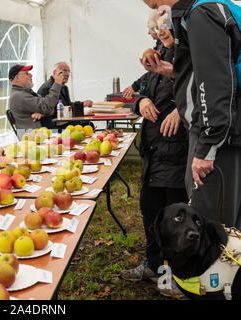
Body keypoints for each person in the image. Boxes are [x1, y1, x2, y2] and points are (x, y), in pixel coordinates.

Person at [141, 0, 241, 229]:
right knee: (229, 227)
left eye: (157, 4)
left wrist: (208, 146)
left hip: (219, 140)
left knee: (212, 229)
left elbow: (214, 84)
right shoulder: (206, 10)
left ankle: (214, 267)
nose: (158, 14)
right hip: (225, 135)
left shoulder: (200, 14)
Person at [120, 23, 189, 298]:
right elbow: (137, 89)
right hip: (152, 153)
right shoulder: (157, 56)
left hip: (177, 154)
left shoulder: (188, 55)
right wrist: (141, 102)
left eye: (166, 25)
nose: (161, 31)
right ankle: (153, 265)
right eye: (156, 28)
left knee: (175, 220)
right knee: (150, 213)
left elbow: (206, 90)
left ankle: (174, 278)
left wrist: (182, 111)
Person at [122, 10, 166, 99]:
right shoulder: (160, 46)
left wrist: (135, 86)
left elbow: (157, 73)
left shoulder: (166, 47)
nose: (149, 33)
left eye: (151, 29)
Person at [37, 62, 94, 130]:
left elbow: (67, 105)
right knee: (88, 125)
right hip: (54, 124)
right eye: (64, 71)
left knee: (88, 124)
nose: (67, 74)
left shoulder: (64, 87)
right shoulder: (46, 88)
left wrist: (82, 104)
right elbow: (47, 110)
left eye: (68, 71)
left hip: (64, 121)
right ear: (54, 72)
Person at [8, 64, 63, 131]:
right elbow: (47, 106)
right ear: (17, 77)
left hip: (42, 133)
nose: (31, 75)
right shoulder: (18, 96)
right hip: (35, 137)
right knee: (70, 137)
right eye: (27, 73)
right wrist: (57, 84)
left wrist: (42, 114)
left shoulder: (24, 93)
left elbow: (50, 109)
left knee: (73, 133)